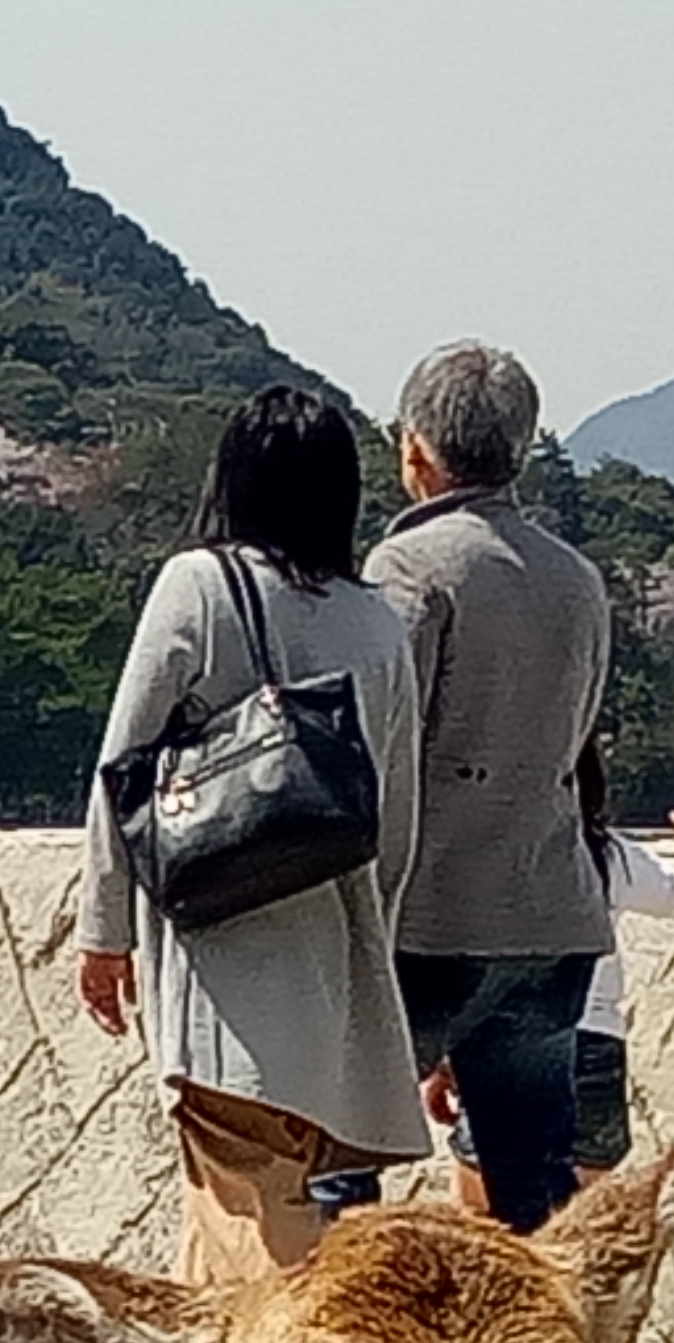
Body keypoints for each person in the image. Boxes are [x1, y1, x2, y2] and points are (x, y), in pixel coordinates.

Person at [77, 384, 427, 1281]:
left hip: (222, 963)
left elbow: (123, 769)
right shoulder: (377, 620)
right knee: (249, 1198)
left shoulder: (200, 585)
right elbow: (397, 819)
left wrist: (103, 933)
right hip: (331, 969)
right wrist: (368, 948)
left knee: (248, 1216)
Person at [363, 342, 615, 1233]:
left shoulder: (409, 569)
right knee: (535, 1190)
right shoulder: (577, 579)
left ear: (416, 449)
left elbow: (380, 745)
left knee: (334, 1166)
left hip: (433, 916)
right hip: (551, 913)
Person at [441, 779, 674, 1210]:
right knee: (579, 1224)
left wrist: (445, 1054)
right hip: (593, 1042)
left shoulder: (487, 856)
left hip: (504, 1048)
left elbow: (464, 963)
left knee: (483, 1225)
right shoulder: (605, 853)